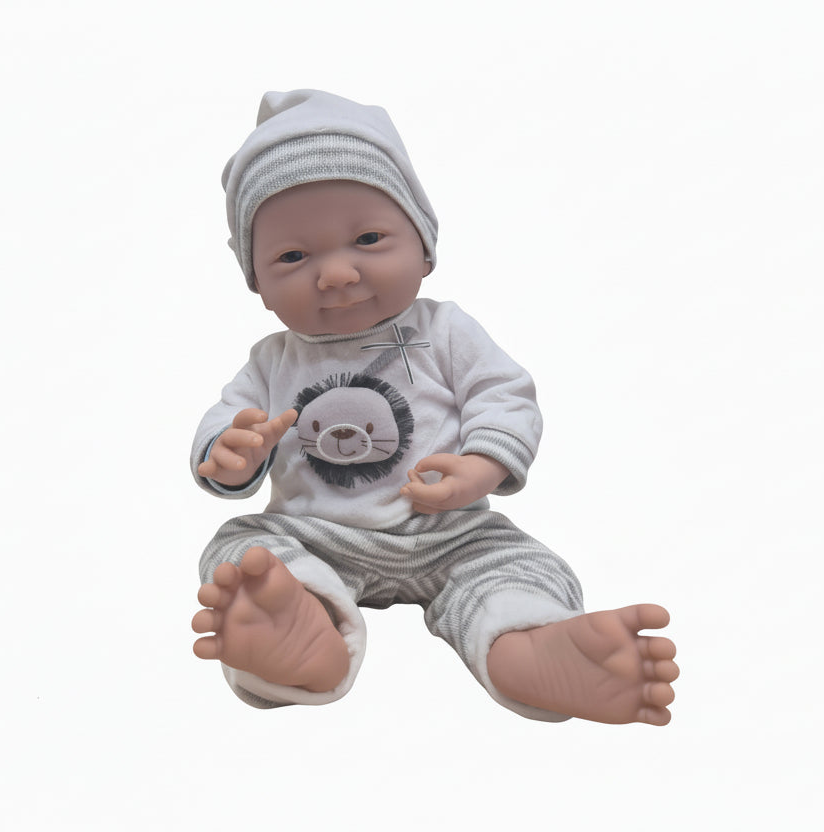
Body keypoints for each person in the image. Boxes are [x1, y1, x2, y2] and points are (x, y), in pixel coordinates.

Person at [189, 89, 678, 724]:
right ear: (257, 283)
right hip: (319, 535)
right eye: (292, 256)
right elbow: (225, 424)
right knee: (244, 549)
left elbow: (503, 395)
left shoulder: (444, 330)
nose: (336, 273)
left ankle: (525, 644)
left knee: (518, 562)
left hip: (450, 532)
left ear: (424, 246)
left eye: (367, 238)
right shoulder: (271, 360)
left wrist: (480, 467)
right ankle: (299, 620)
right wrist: (231, 453)